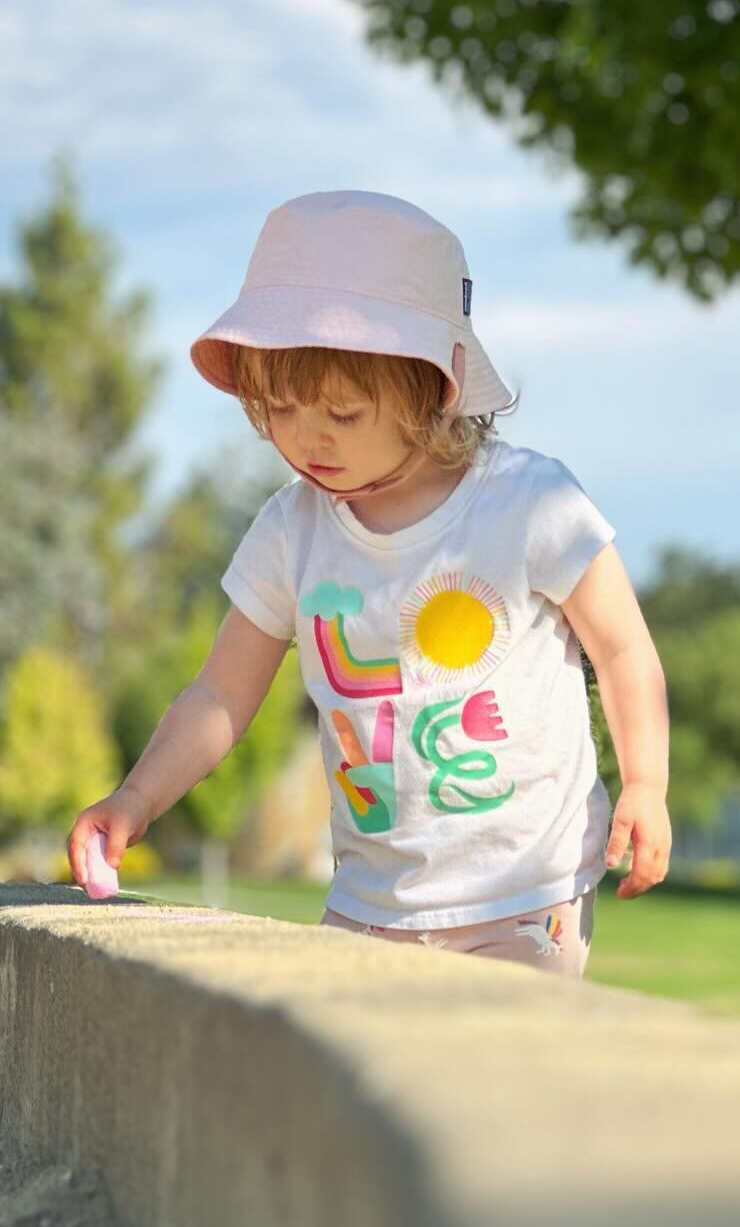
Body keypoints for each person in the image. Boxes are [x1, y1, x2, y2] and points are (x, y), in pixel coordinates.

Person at [67, 189, 670, 978]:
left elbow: (622, 649)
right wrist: (135, 799)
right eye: (280, 407)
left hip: (525, 894)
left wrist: (647, 782)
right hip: (367, 904)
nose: (307, 437)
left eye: (344, 414)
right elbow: (219, 696)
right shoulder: (293, 531)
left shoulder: (528, 503)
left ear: (433, 386)